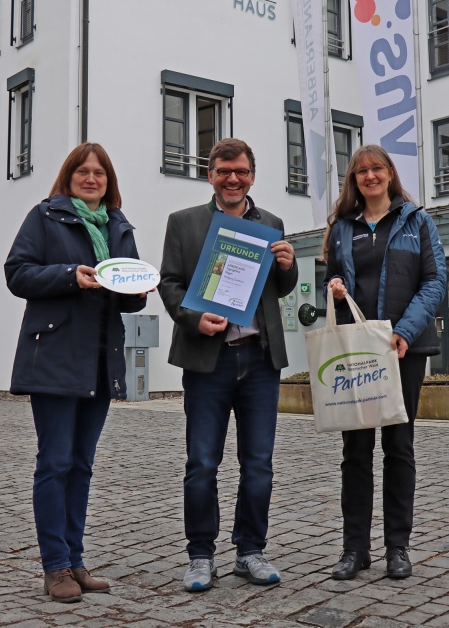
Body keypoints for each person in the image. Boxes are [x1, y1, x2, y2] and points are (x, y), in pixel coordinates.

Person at [5, 143, 147, 603]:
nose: (91, 178)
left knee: (82, 466)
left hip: (101, 361)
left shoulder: (119, 225)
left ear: (109, 182)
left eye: (99, 173)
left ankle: (75, 560)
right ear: (68, 177)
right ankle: (55, 567)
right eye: (82, 171)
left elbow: (128, 293)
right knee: (55, 463)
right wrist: (70, 274)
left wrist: (139, 290)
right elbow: (17, 273)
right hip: (54, 356)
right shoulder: (45, 217)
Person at [159, 138, 298, 592]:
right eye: (223, 171)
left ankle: (249, 552)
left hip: (260, 362)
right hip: (208, 362)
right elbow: (170, 284)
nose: (232, 178)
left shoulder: (271, 224)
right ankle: (201, 555)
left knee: (258, 464)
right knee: (201, 463)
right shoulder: (185, 223)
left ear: (252, 176)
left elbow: (281, 289)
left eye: (240, 171)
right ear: (211, 175)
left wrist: (288, 265)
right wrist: (195, 319)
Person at [323, 144, 446, 581]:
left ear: (390, 174)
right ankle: (354, 549)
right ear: (354, 180)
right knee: (355, 451)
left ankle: (398, 547)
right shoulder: (343, 226)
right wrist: (335, 285)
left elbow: (435, 281)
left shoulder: (418, 221)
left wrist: (404, 331)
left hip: (401, 349)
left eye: (377, 169)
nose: (370, 177)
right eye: (361, 172)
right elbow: (331, 275)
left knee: (399, 446)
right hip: (357, 350)